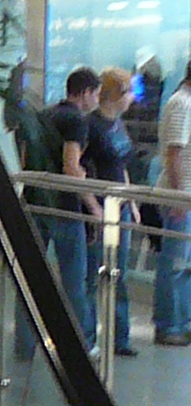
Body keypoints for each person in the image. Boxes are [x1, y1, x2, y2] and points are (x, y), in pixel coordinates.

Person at [36, 65, 101, 348]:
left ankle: (26, 344)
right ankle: (80, 345)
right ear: (85, 93)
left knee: (33, 274)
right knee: (75, 281)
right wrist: (93, 205)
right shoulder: (76, 121)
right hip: (64, 207)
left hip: (37, 201)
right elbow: (71, 167)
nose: (97, 101)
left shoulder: (44, 115)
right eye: (96, 94)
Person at [85, 65, 139, 357]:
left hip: (120, 205)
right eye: (128, 92)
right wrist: (92, 204)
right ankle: (89, 336)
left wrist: (131, 201)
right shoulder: (92, 126)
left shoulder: (117, 124)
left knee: (120, 273)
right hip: (102, 206)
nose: (132, 98)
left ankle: (120, 337)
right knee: (95, 274)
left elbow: (122, 165)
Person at [156, 60, 191, 347]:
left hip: (185, 197)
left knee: (184, 264)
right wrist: (179, 196)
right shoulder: (182, 104)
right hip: (179, 198)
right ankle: (169, 324)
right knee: (175, 263)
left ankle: (182, 320)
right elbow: (173, 153)